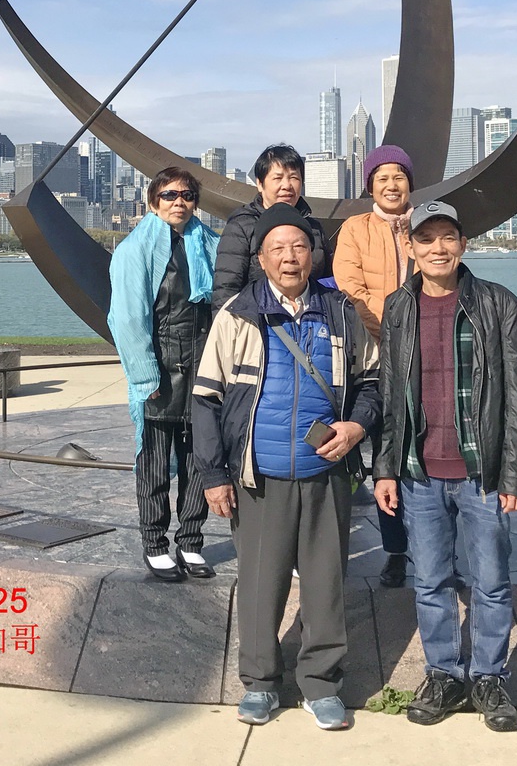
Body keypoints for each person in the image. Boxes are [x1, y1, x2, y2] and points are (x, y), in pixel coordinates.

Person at [193, 203, 381, 732]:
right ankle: (260, 682)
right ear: (261, 258)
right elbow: (205, 399)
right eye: (277, 248)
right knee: (261, 583)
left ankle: (322, 684)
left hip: (326, 474)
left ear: (313, 254)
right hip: (260, 477)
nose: (289, 256)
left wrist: (357, 427)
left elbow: (372, 380)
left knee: (326, 583)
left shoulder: (340, 311)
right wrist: (213, 476)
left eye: (298, 246)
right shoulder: (237, 315)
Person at [373, 199, 517, 733]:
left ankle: (488, 676)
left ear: (463, 244)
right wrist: (385, 467)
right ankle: (443, 674)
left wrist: (515, 472)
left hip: (480, 473)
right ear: (411, 247)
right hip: (419, 474)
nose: (438, 248)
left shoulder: (498, 304)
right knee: (431, 582)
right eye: (426, 239)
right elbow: (391, 395)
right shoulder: (399, 307)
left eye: (448, 237)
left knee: (491, 581)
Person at [108, 166, 221, 582]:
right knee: (155, 463)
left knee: (199, 459)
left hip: (203, 367)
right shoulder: (134, 250)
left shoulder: (209, 244)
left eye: (187, 195)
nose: (179, 202)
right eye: (170, 195)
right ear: (154, 201)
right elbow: (127, 317)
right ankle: (154, 543)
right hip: (160, 370)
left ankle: (190, 541)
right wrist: (144, 375)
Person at [331, 143, 415, 587]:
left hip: (424, 352)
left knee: (426, 448)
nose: (391, 185)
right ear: (370, 186)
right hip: (379, 353)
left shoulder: (425, 225)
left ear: (410, 183)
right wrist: (393, 330)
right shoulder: (355, 229)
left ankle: (438, 542)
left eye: (398, 176)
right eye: (382, 178)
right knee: (385, 449)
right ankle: (396, 549)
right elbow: (350, 288)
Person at [211, 144, 331, 307]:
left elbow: (329, 280)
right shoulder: (241, 226)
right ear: (260, 184)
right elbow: (226, 290)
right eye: (278, 178)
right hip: (258, 318)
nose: (286, 185)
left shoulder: (314, 228)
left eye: (294, 177)